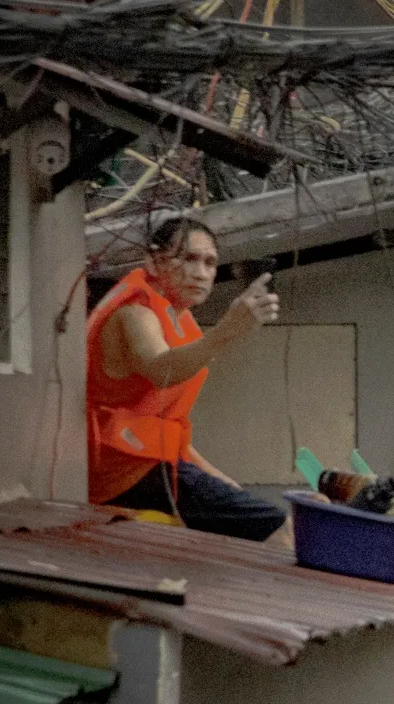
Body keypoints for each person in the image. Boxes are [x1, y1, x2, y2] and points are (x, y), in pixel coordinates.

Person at [87, 216, 287, 540]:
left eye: (210, 263)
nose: (202, 273)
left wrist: (224, 484)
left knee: (257, 513)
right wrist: (226, 331)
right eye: (189, 258)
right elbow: (161, 369)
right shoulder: (135, 312)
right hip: (120, 471)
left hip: (148, 467)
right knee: (276, 526)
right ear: (153, 261)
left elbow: (171, 436)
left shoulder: (181, 322)